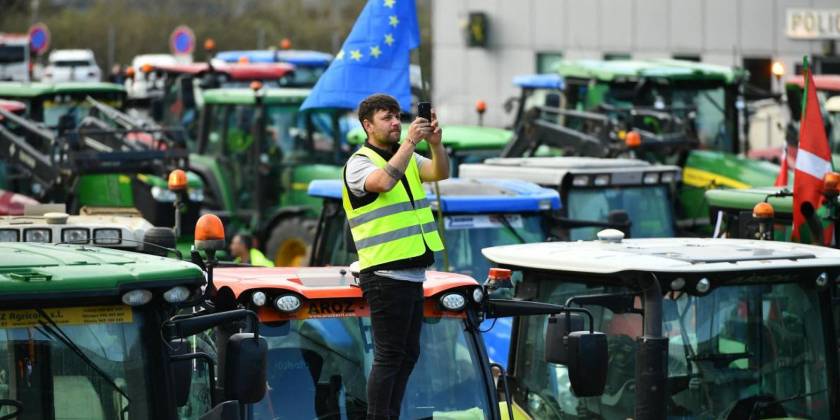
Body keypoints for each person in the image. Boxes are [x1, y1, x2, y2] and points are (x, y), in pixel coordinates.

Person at [342, 93, 449, 420]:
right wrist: (411, 143)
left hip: (412, 273)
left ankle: (389, 414)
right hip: (385, 275)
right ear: (367, 125)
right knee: (389, 356)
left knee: (407, 354)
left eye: (397, 117)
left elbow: (441, 172)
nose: (395, 123)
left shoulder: (408, 159)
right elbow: (384, 181)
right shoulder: (359, 163)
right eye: (386, 118)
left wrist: (435, 144)